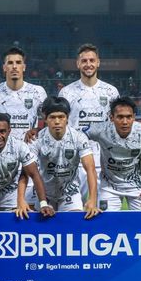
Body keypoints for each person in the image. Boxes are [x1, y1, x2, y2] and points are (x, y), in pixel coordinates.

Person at [17, 96, 100, 219]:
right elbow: (25, 173)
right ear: (45, 119)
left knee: (74, 223)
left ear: (67, 118)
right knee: (36, 224)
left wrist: (92, 199)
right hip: (43, 192)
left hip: (70, 191)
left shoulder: (79, 138)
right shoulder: (36, 140)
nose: (57, 121)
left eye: (61, 117)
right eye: (52, 117)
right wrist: (20, 200)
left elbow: (90, 169)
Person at [57, 43, 119, 200]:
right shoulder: (66, 92)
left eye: (92, 60)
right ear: (78, 64)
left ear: (98, 62)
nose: (88, 64)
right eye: (84, 61)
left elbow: (115, 126)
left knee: (100, 209)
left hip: (103, 160)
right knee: (73, 208)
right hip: (74, 161)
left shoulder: (111, 91)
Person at [85, 97, 141, 211]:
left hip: (138, 187)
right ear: (111, 117)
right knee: (105, 224)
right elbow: (79, 138)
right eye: (120, 117)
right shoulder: (100, 130)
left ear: (134, 117)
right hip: (109, 187)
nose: (125, 122)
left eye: (128, 117)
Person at [0, 47, 47, 140]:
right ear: (4, 67)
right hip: (0, 150)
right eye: (10, 63)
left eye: (18, 63)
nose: (14, 66)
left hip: (29, 149)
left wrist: (38, 130)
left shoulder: (38, 91)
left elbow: (49, 120)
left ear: (24, 67)